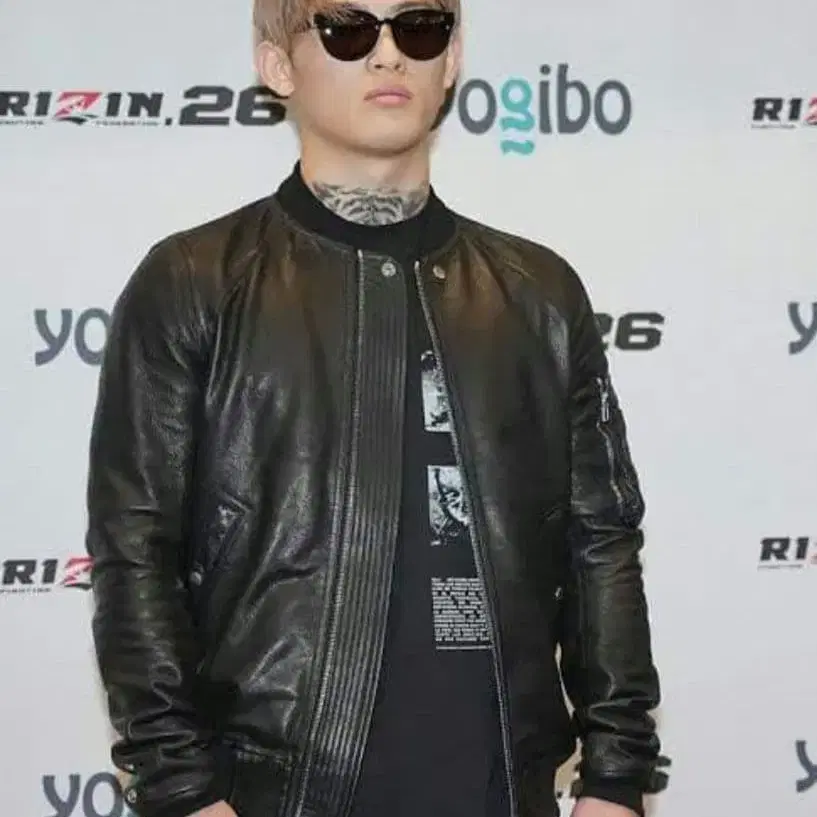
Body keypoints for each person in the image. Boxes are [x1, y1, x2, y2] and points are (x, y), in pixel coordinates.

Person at [84, 1, 662, 817]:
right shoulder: (193, 282)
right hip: (276, 791)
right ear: (277, 65)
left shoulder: (538, 292)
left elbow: (599, 543)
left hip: (501, 788)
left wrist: (614, 778)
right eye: (347, 29)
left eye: (418, 27)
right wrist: (182, 791)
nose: (388, 55)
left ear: (450, 60)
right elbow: (135, 551)